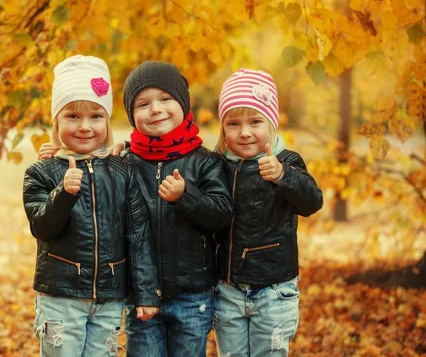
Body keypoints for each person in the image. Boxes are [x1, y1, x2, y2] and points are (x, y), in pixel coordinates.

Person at [39, 60, 233, 357]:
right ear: (131, 114)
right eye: (143, 103)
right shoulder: (124, 163)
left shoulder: (205, 162)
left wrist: (186, 197)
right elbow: (91, 170)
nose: (156, 109)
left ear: (183, 103)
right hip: (139, 295)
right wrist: (58, 156)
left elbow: (221, 216)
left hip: (192, 293)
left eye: (166, 99)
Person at [23, 55, 160, 357]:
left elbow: (137, 236)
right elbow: (41, 226)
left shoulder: (122, 171)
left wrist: (146, 293)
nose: (85, 126)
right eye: (72, 116)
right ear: (57, 121)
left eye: (96, 116)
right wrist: (64, 193)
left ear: (107, 121)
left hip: (109, 299)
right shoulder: (42, 172)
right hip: (62, 296)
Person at [212, 68, 323, 357]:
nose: (245, 132)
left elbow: (312, 202)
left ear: (271, 123)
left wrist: (284, 176)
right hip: (228, 290)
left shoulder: (287, 161)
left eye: (255, 121)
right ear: (223, 128)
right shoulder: (216, 164)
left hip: (274, 290)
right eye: (233, 123)